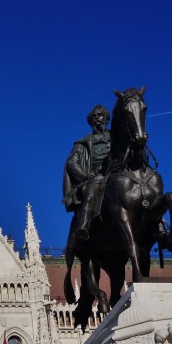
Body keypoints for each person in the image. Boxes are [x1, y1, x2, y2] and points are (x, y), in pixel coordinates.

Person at [63, 104, 112, 243]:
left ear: (107, 119)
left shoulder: (117, 136)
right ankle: (82, 227)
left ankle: (159, 226)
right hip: (96, 177)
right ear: (91, 121)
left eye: (100, 115)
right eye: (94, 116)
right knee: (90, 194)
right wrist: (85, 174)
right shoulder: (82, 143)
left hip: (117, 173)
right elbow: (71, 162)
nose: (97, 118)